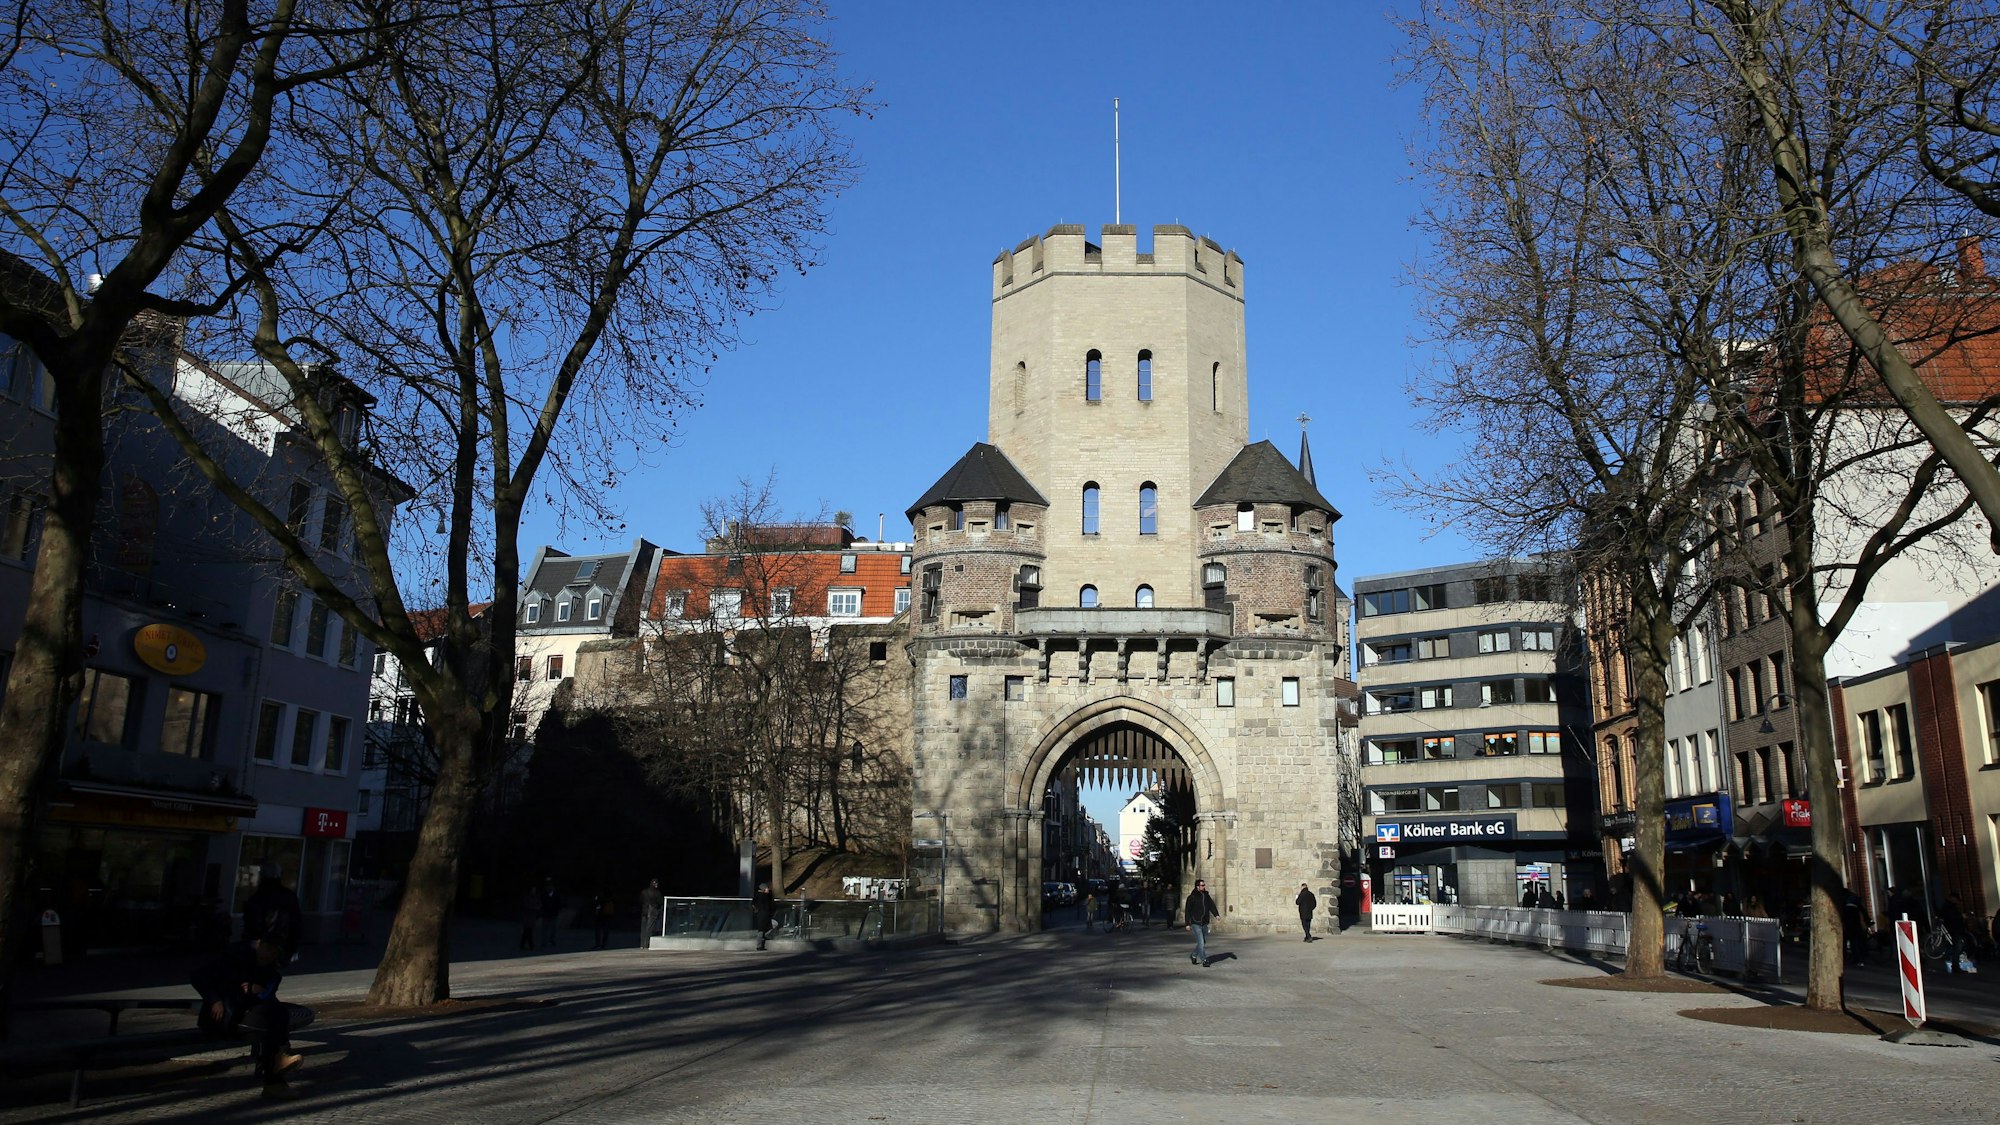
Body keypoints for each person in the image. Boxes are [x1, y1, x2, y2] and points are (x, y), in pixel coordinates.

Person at [191, 938, 301, 1100]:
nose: (270, 954)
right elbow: (199, 976)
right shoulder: (235, 961)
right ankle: (276, 1075)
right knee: (271, 1025)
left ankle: (277, 1069)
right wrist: (215, 1000)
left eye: (274, 952)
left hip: (248, 1017)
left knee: (275, 1018)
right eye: (268, 948)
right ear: (259, 946)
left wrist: (258, 991)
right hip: (225, 1018)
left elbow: (267, 997)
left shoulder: (271, 974)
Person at [241, 862, 303, 963]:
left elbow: (251, 921)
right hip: (280, 944)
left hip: (262, 943)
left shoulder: (258, 897)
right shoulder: (288, 896)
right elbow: (296, 923)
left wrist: (251, 940)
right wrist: (292, 947)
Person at [1184, 879, 1219, 967]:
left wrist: (1216, 915)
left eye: (1204, 885)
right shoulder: (1192, 897)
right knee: (1201, 942)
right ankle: (1204, 960)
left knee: (1202, 942)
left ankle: (1194, 955)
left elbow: (1211, 905)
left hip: (1204, 922)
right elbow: (1187, 911)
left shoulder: (1206, 895)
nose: (1204, 887)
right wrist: (1187, 924)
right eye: (1202, 885)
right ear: (1197, 887)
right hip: (1196, 922)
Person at [638, 878, 662, 948]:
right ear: (655, 884)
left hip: (644, 911)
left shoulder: (644, 892)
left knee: (643, 928)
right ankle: (646, 944)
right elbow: (660, 902)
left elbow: (640, 901)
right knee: (649, 929)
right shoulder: (657, 893)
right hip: (652, 911)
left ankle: (642, 944)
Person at [752, 881, 776, 950]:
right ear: (763, 889)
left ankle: (764, 936)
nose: (768, 889)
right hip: (762, 915)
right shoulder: (762, 896)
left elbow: (753, 904)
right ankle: (759, 946)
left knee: (772, 925)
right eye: (767, 888)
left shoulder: (761, 896)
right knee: (761, 930)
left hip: (764, 914)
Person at [539, 878, 562, 948]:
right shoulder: (544, 895)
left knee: (553, 929)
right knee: (544, 930)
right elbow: (542, 904)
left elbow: (559, 904)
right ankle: (544, 942)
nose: (549, 888)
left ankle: (552, 940)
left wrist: (557, 911)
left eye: (550, 887)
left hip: (553, 914)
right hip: (546, 914)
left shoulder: (556, 895)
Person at [519, 887, 540, 952]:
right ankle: (531, 945)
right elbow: (526, 906)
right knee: (528, 931)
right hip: (527, 916)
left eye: (534, 890)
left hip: (532, 917)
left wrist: (538, 907)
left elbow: (538, 903)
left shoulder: (535, 898)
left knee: (526, 931)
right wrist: (535, 908)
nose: (534, 891)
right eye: (533, 890)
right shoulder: (527, 898)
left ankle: (522, 944)